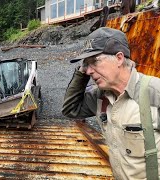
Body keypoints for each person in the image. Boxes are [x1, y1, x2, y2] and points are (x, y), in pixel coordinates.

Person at [61, 27, 160, 179]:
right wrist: (81, 73)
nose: (88, 71)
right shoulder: (101, 97)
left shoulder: (155, 93)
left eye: (94, 61)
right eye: (86, 65)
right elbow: (70, 109)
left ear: (119, 58)